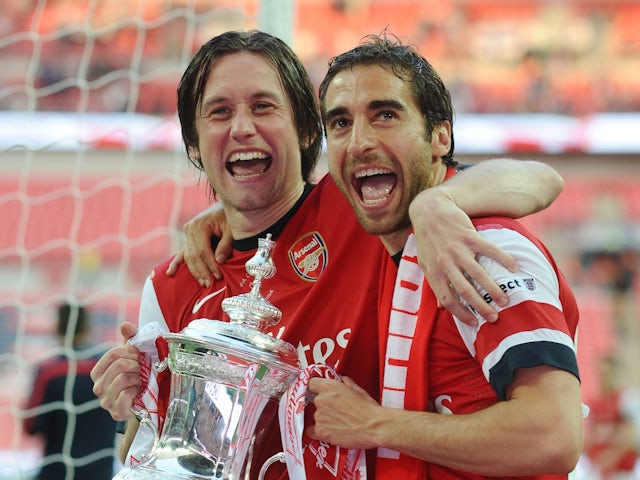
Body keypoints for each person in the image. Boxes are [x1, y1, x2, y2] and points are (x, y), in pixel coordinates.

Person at [90, 30, 563, 479]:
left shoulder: (366, 208)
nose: (241, 128)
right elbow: (148, 448)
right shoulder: (176, 285)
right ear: (193, 143)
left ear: (303, 130)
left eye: (263, 106)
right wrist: (132, 398)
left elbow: (540, 179)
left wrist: (437, 202)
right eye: (218, 112)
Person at [300, 32, 583, 479]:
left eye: (386, 115)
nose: (358, 142)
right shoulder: (380, 237)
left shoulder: (484, 250)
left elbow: (552, 436)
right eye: (339, 123)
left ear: (439, 137)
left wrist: (373, 425)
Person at [24, 302, 118, 480]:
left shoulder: (49, 372)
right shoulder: (107, 368)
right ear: (88, 327)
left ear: (57, 328)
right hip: (101, 471)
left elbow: (31, 426)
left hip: (57, 471)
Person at [584, 354, 640, 479]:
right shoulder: (595, 402)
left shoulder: (627, 398)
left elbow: (629, 434)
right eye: (601, 374)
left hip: (621, 470)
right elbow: (591, 435)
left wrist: (611, 457)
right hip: (599, 467)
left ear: (616, 374)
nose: (604, 378)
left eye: (608, 374)